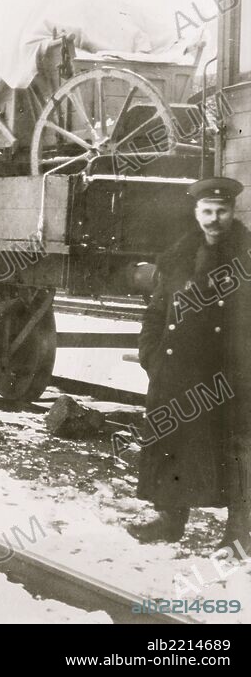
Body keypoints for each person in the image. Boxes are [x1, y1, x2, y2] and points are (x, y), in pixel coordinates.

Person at [129, 176, 251, 550]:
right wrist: (150, 355)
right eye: (207, 211)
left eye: (222, 211)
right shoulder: (178, 257)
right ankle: (169, 520)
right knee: (172, 442)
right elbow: (156, 312)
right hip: (175, 370)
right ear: (197, 213)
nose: (214, 219)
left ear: (233, 212)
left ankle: (239, 534)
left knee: (235, 450)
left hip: (227, 376)